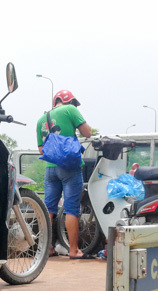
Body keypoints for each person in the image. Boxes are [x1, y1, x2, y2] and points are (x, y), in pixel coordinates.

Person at [36, 89, 94, 259]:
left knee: (48, 209)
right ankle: (74, 250)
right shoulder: (70, 110)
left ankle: (47, 248)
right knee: (71, 208)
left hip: (50, 168)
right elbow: (88, 133)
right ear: (69, 101)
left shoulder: (41, 119)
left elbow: (41, 149)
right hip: (69, 167)